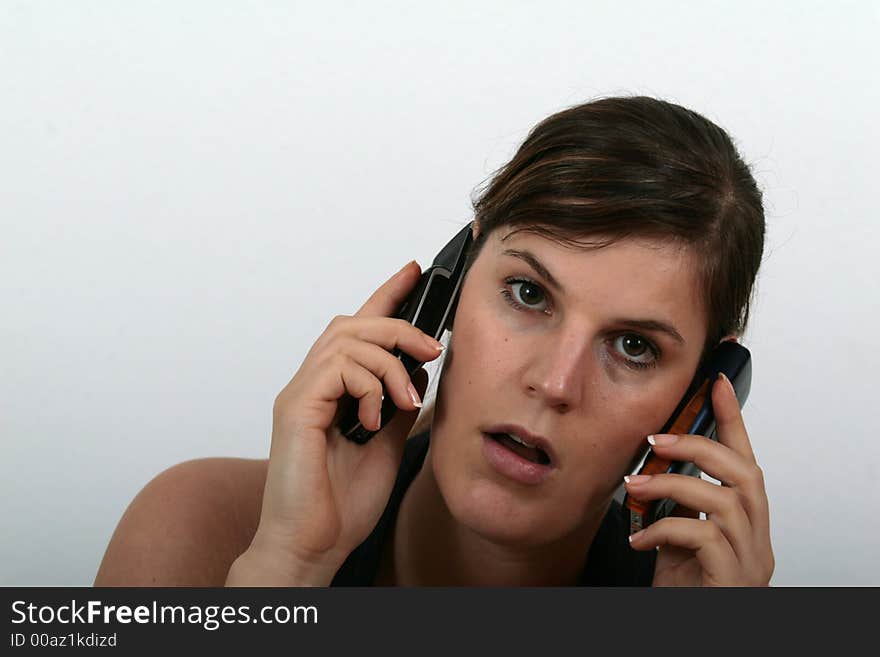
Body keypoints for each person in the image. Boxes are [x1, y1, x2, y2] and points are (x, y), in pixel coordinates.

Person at [95, 96, 773, 587]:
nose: (556, 384)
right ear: (445, 295)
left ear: (702, 393)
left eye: (632, 346)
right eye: (529, 294)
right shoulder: (199, 536)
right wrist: (290, 567)